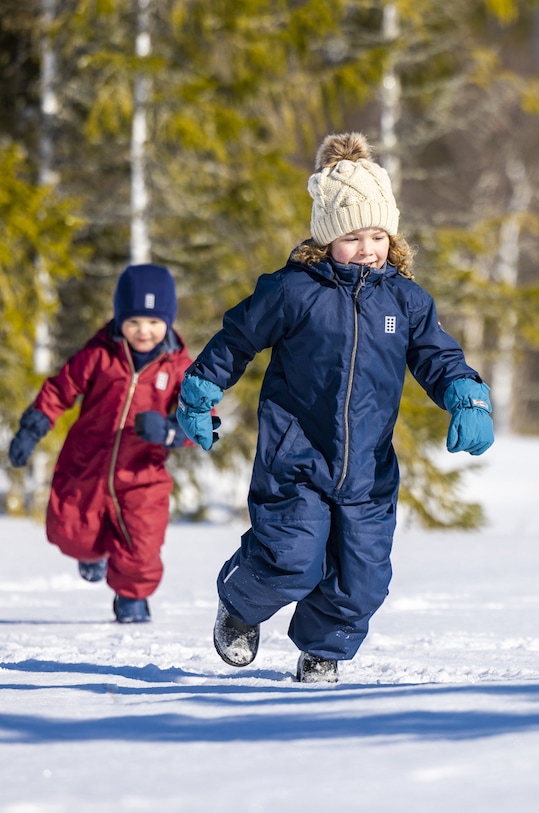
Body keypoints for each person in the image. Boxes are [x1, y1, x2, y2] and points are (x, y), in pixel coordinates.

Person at [176, 132, 494, 682]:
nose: (367, 247)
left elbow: (437, 356)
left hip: (368, 468)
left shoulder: (406, 300)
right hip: (296, 457)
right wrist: (201, 389)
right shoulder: (293, 290)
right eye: (352, 236)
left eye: (377, 235)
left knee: (362, 577)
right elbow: (238, 338)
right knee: (289, 558)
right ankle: (240, 605)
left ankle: (323, 651)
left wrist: (467, 396)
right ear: (327, 238)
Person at [9, 263, 204, 623]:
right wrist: (34, 426)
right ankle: (93, 555)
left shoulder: (179, 367)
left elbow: (202, 420)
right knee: (71, 533)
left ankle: (131, 598)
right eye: (133, 322)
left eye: (153, 322)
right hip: (87, 464)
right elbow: (62, 388)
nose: (143, 331)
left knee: (143, 545)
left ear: (168, 320)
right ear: (119, 318)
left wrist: (169, 431)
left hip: (142, 473)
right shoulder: (100, 354)